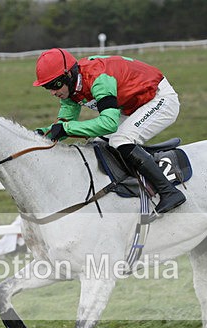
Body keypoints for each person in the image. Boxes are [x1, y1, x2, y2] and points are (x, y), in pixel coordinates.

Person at [33, 48, 185, 214]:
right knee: (98, 143)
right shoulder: (71, 90)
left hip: (159, 99)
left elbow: (109, 124)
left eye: (55, 85)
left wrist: (66, 129)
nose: (53, 92)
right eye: (47, 87)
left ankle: (169, 191)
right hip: (132, 107)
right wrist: (44, 134)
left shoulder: (98, 79)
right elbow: (63, 125)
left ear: (68, 75)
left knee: (120, 140)